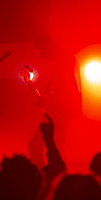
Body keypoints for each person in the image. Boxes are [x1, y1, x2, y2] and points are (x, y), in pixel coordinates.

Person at [28, 34, 82, 166]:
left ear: (50, 45)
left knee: (35, 147)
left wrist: (50, 102)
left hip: (59, 116)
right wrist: (48, 100)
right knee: (57, 151)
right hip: (60, 115)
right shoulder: (64, 60)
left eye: (42, 52)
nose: (42, 56)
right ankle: (57, 180)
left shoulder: (66, 61)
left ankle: (42, 180)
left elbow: (71, 92)